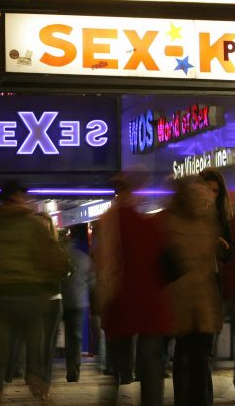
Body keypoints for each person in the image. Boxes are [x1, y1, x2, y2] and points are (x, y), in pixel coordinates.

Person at [0, 180, 69, 406]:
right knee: (35, 350)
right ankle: (39, 388)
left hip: (0, 296)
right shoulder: (32, 223)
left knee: (0, 354)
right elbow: (55, 257)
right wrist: (50, 276)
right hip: (31, 296)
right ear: (16, 197)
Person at [95, 170, 173, 406]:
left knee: (117, 364)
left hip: (122, 301)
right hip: (150, 303)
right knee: (150, 363)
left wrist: (104, 301)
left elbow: (105, 263)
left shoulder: (110, 221)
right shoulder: (150, 224)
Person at [164, 176, 228, 406]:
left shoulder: (175, 224)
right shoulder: (206, 225)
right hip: (199, 304)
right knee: (198, 361)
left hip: (188, 304)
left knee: (188, 359)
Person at [200, 168, 235, 402]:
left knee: (209, 340)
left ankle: (206, 385)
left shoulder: (223, 224)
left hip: (222, 291)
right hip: (234, 291)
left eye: (216, 191)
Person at [34, 212, 65, 391]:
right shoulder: (55, 248)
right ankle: (40, 379)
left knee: (45, 344)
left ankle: (44, 381)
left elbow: (67, 269)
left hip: (50, 300)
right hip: (43, 300)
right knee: (40, 344)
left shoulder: (54, 248)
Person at [60, 224, 94, 383]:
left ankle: (44, 371)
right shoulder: (84, 258)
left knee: (51, 336)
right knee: (75, 338)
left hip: (59, 301)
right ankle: (73, 372)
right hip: (79, 302)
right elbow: (92, 281)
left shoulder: (59, 257)